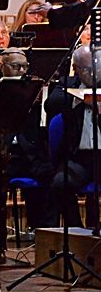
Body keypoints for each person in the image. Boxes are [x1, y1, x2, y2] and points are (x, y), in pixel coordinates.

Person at [0, 48, 54, 246]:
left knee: (53, 173)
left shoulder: (33, 89)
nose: (22, 71)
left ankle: (43, 234)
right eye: (16, 66)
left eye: (25, 67)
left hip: (27, 155)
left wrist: (40, 102)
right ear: (2, 66)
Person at [46, 45, 101, 228]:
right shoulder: (67, 84)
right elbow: (50, 104)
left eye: (96, 67)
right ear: (76, 69)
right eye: (86, 69)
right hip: (80, 158)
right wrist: (78, 98)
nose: (93, 73)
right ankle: (76, 230)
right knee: (60, 184)